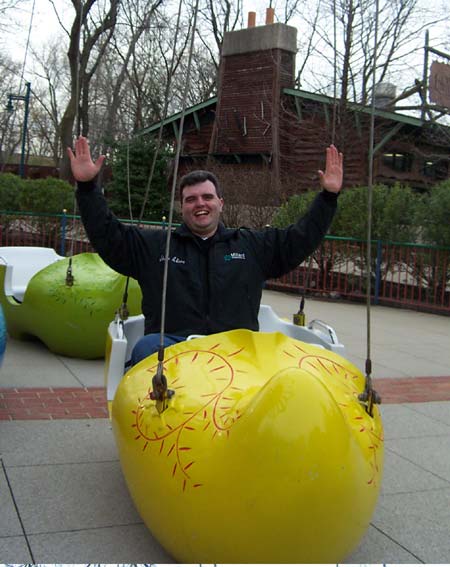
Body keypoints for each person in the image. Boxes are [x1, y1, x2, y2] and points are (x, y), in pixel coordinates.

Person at [68, 136, 343, 365]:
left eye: (207, 197)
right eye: (191, 199)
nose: (200, 204)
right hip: (173, 352)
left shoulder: (251, 246)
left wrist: (328, 198)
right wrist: (87, 188)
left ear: (220, 203)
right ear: (182, 206)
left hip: (236, 353)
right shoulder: (155, 247)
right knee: (145, 347)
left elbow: (300, 239)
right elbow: (108, 235)